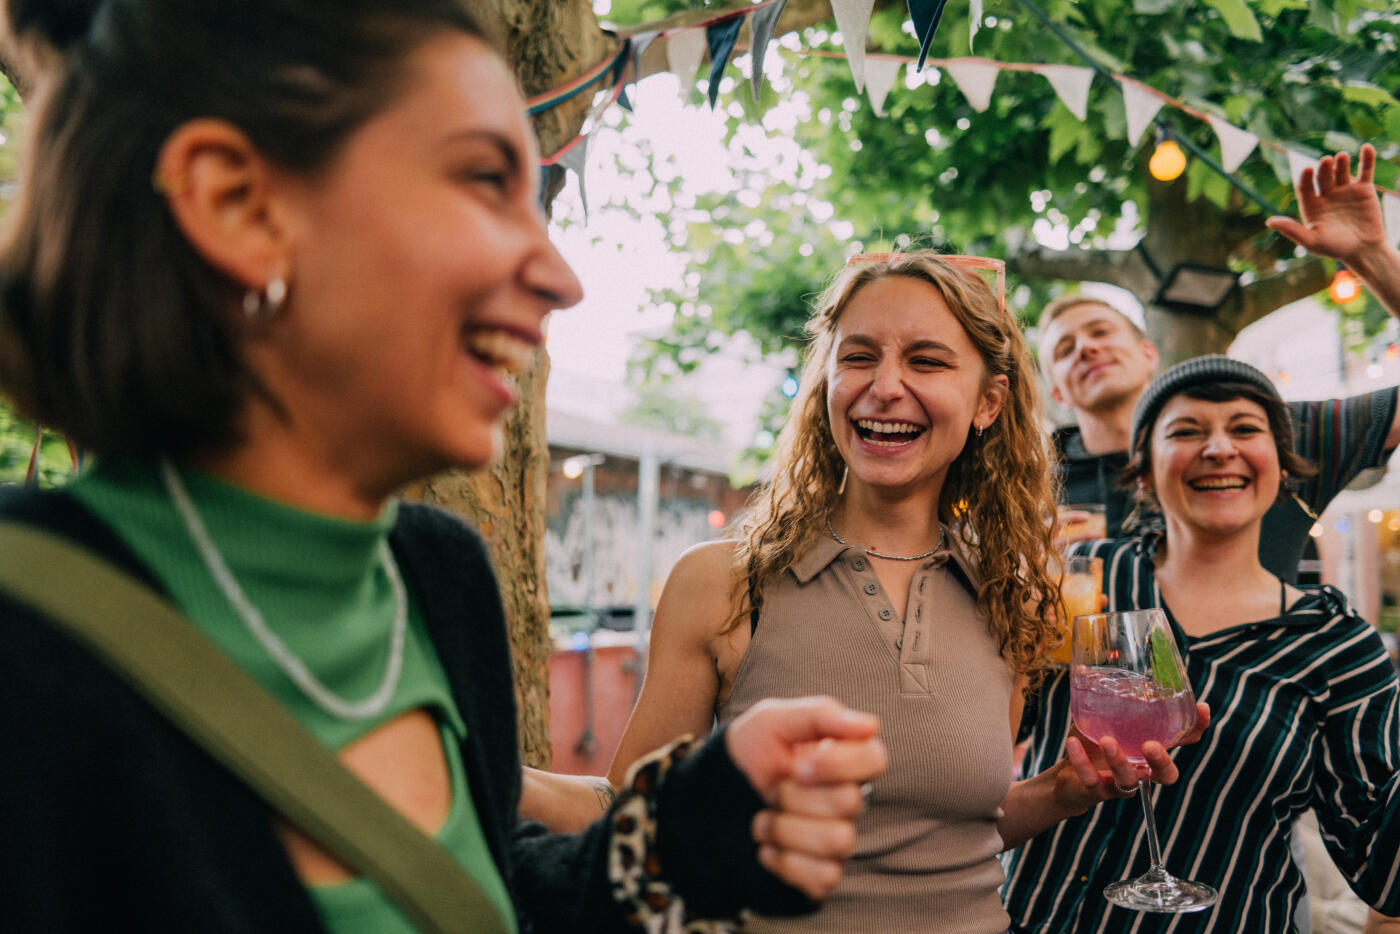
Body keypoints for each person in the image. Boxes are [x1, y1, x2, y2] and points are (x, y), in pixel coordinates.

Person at [0, 3, 891, 932]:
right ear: (239, 207)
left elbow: (485, 882)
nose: (559, 277)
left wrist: (680, 837)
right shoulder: (24, 639)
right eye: (480, 180)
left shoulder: (434, 575)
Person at [523, 250, 1208, 933]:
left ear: (987, 404)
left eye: (927, 362)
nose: (884, 386)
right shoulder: (725, 582)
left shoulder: (1010, 593)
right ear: (826, 382)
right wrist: (474, 775)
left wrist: (1061, 792)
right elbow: (629, 812)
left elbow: (968, 827)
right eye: (858, 357)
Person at [1003, 356, 1400, 932]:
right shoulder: (1081, 579)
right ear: (1143, 470)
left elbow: (1385, 878)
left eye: (1244, 429)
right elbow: (988, 734)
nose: (1218, 448)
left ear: (1283, 468)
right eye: (1186, 431)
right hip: (1029, 918)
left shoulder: (1334, 645)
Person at [1040, 144, 1400, 582]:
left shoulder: (1267, 437)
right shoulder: (1033, 482)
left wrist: (1372, 256)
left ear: (1148, 353)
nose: (1086, 349)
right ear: (1055, 389)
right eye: (1064, 349)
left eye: (1101, 331)